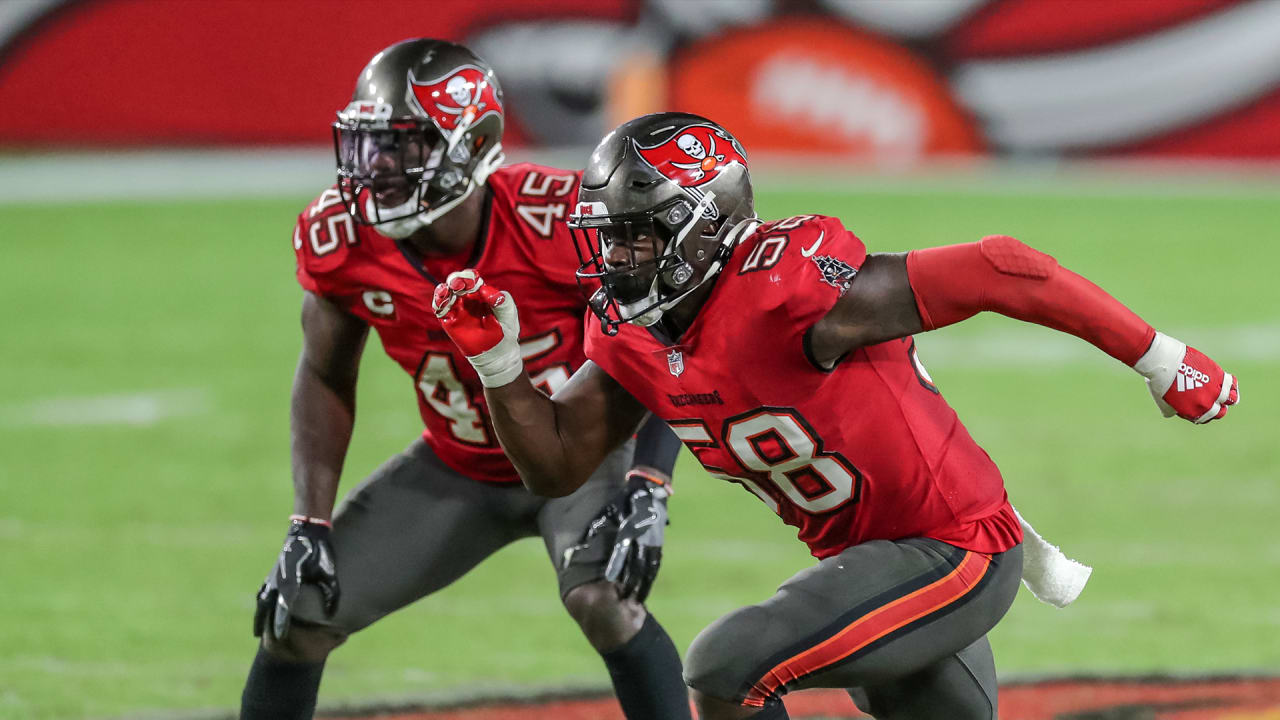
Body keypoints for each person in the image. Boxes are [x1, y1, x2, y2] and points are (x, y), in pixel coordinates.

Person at [431, 112, 1240, 719]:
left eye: (638, 237)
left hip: (952, 546)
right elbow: (558, 464)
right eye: (610, 238)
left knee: (726, 666)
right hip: (868, 565)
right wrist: (499, 366)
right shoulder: (630, 331)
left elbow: (1003, 267)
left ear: (707, 225)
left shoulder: (787, 291)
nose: (617, 258)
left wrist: (1163, 358)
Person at [239, 42, 693, 720]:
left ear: (472, 144)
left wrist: (649, 482)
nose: (379, 165)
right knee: (299, 612)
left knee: (605, 600)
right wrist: (309, 520)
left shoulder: (559, 220)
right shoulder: (342, 237)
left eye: (407, 144)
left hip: (581, 459)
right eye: (372, 143)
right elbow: (324, 373)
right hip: (460, 465)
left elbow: (666, 336)